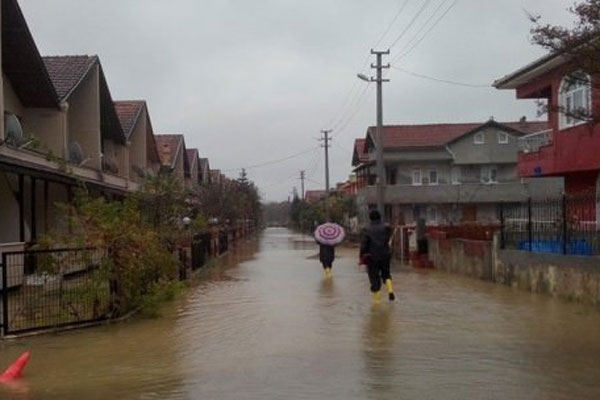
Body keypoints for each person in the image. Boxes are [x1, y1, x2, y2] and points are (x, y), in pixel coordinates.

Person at [359, 210, 395, 303]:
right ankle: (390, 290)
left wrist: (361, 256)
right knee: (386, 274)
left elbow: (364, 245)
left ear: (370, 218)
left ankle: (377, 303)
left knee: (374, 278)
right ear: (380, 217)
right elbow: (388, 238)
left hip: (372, 257)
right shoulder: (386, 228)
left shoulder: (366, 229)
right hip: (385, 255)